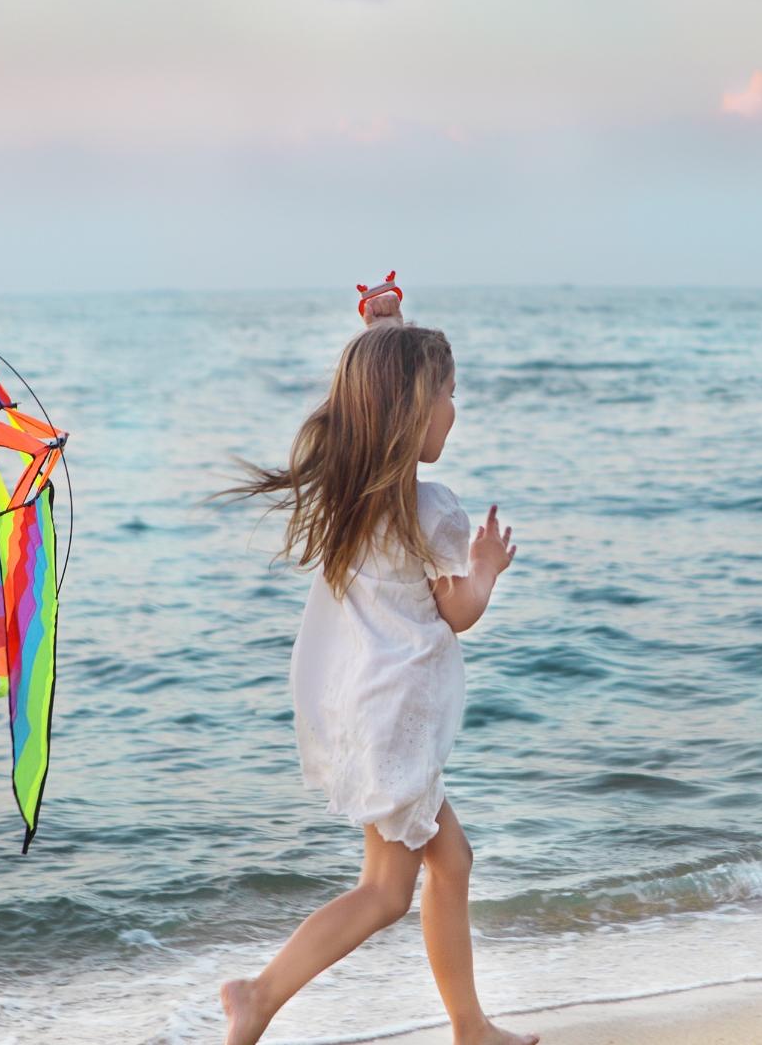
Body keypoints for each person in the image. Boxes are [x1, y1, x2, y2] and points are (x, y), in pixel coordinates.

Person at [212, 274, 534, 1045]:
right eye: (449, 396)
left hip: (362, 709)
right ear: (414, 413)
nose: (455, 411)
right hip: (393, 719)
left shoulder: (351, 498)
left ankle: (470, 1026)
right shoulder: (431, 509)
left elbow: (375, 382)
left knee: (449, 861)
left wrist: (387, 330)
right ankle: (258, 996)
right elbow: (458, 614)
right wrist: (486, 567)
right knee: (387, 892)